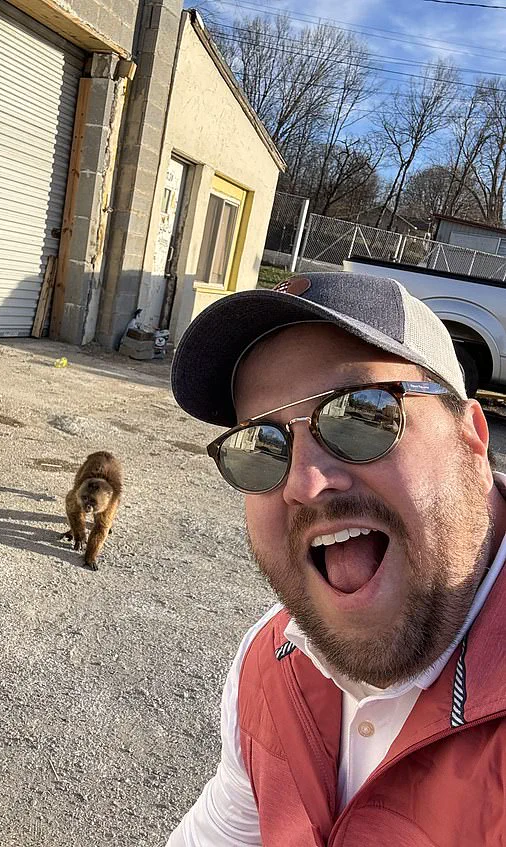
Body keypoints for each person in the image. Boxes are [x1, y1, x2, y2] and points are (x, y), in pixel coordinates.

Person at [167, 272, 506, 846]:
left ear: (471, 437)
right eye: (261, 445)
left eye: (358, 414)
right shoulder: (270, 665)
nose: (304, 483)